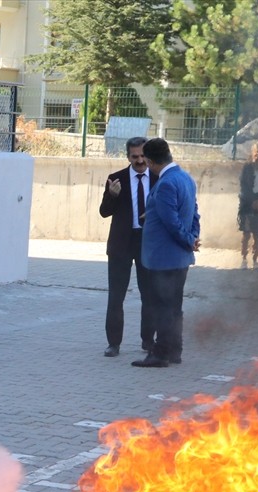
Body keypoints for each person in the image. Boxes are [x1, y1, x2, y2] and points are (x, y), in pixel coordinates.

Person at [132, 138, 199, 369]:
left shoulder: (166, 183)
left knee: (162, 306)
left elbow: (172, 222)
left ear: (149, 161)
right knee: (174, 305)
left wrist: (189, 240)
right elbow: (194, 214)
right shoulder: (186, 178)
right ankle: (174, 350)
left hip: (164, 258)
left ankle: (160, 353)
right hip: (179, 256)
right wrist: (192, 237)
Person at [97, 136, 154, 357]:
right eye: (134, 157)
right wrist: (112, 196)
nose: (139, 161)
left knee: (149, 295)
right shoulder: (116, 179)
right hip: (121, 244)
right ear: (128, 157)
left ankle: (148, 341)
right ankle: (113, 343)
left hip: (147, 243)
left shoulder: (158, 178)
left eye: (142, 156)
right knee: (116, 296)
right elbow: (103, 212)